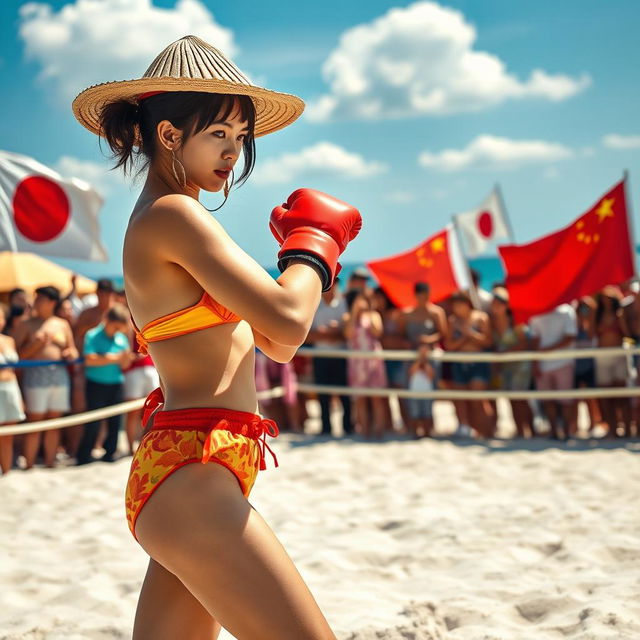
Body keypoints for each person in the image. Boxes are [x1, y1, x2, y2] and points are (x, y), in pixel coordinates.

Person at [73, 34, 361, 639]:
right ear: (170, 136)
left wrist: (302, 263)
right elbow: (288, 320)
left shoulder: (170, 216)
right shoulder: (175, 216)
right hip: (194, 477)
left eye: (240, 137)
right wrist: (314, 250)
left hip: (191, 472)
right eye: (219, 134)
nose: (234, 152)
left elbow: (278, 344)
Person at [12, 286, 78, 468]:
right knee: (35, 421)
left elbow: (72, 348)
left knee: (54, 422)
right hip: (35, 376)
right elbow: (14, 355)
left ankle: (50, 462)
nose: (37, 302)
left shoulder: (62, 324)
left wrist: (69, 353)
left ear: (51, 302)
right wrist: (36, 345)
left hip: (59, 375)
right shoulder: (26, 324)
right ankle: (30, 464)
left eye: (40, 298)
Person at [76, 304, 134, 464]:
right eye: (115, 327)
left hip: (115, 383)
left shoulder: (121, 338)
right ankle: (84, 455)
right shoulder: (92, 335)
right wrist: (114, 358)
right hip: (96, 384)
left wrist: (118, 359)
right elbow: (90, 360)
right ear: (107, 320)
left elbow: (124, 365)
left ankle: (110, 453)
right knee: (93, 422)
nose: (117, 331)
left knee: (115, 422)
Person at [307, 277, 352, 436]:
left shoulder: (343, 304)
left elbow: (349, 333)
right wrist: (326, 334)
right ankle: (326, 427)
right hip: (321, 355)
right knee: (322, 393)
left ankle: (348, 426)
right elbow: (306, 334)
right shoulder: (314, 305)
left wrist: (334, 334)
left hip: (340, 354)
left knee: (344, 393)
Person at [445, 290, 493, 438]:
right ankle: (466, 428)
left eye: (459, 305)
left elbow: (488, 341)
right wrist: (465, 338)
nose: (456, 308)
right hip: (459, 362)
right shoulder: (453, 321)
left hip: (478, 362)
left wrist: (469, 334)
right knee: (460, 400)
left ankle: (486, 430)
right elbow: (449, 345)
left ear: (467, 304)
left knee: (478, 400)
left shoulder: (481, 318)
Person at [343, 288, 388, 439]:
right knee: (360, 399)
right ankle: (365, 431)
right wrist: (355, 313)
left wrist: (369, 311)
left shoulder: (374, 315)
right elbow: (348, 334)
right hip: (357, 362)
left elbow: (378, 332)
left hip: (373, 360)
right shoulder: (349, 317)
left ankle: (379, 432)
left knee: (377, 398)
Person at [529, 303, 578, 440]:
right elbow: (535, 339)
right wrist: (535, 362)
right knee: (547, 400)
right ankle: (554, 432)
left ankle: (567, 432)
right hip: (544, 364)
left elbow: (570, 337)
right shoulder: (536, 313)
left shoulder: (566, 311)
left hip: (564, 362)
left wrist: (546, 351)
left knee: (566, 400)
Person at [489, 287, 533, 438]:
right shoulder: (492, 322)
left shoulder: (515, 321)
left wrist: (505, 353)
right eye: (494, 302)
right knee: (511, 399)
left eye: (499, 302)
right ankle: (520, 430)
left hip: (520, 365)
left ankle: (530, 430)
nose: (496, 305)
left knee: (520, 399)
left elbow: (524, 343)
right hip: (505, 366)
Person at [594, 286, 632, 437]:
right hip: (603, 357)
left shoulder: (620, 314)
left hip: (619, 355)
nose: (606, 301)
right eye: (603, 298)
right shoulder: (597, 315)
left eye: (609, 298)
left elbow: (627, 335)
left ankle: (628, 429)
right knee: (606, 397)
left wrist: (621, 319)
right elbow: (592, 333)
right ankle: (612, 429)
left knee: (622, 396)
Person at [0, 303, 26, 474]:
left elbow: (15, 370)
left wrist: (20, 396)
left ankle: (7, 471)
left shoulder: (9, 340)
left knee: (8, 434)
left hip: (10, 387)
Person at [406, 343, 435, 438]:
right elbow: (411, 372)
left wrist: (425, 362)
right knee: (415, 414)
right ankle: (415, 433)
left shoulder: (431, 364)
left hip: (427, 393)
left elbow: (430, 375)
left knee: (427, 414)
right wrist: (419, 361)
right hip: (414, 393)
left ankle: (427, 433)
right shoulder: (413, 364)